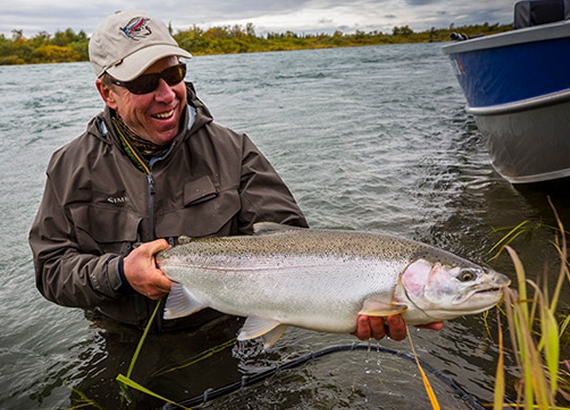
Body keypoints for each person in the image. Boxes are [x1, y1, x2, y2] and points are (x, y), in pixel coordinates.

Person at [29, 10, 442, 342]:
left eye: (173, 75)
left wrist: (347, 302)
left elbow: (291, 242)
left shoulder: (233, 151)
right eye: (143, 82)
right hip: (119, 340)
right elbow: (51, 270)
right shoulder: (69, 168)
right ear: (108, 93)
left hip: (221, 337)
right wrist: (120, 273)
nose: (167, 94)